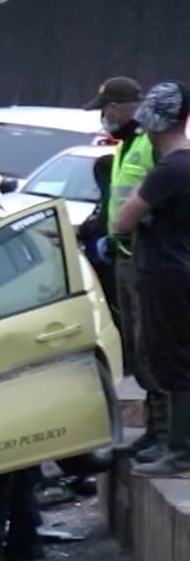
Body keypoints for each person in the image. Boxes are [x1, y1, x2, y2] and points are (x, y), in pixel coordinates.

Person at [114, 81, 190, 478]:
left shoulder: (170, 169)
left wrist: (136, 213)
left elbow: (123, 218)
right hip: (181, 268)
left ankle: (180, 453)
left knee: (171, 361)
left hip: (165, 274)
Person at [87, 76, 162, 459]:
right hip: (125, 256)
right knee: (139, 346)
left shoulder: (150, 143)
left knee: (155, 347)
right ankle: (154, 430)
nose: (104, 118)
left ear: (117, 108)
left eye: (105, 110)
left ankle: (165, 435)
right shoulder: (126, 146)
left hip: (147, 259)